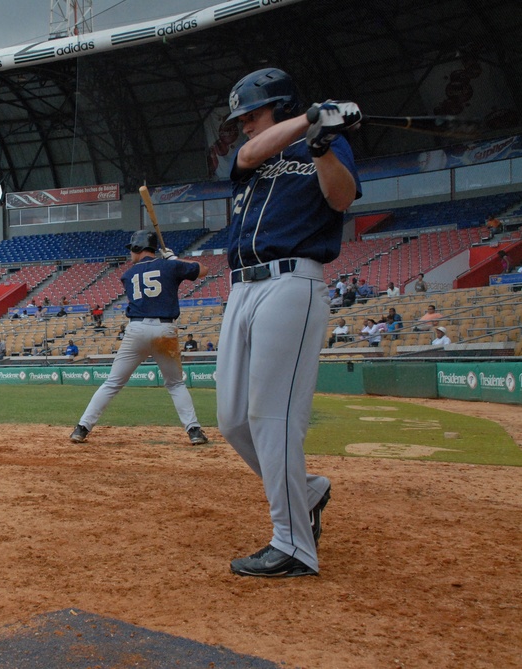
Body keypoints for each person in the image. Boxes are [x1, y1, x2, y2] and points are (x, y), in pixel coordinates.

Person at [216, 69, 361, 578]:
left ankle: (294, 545)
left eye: (252, 114)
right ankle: (308, 491)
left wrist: (321, 143)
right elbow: (247, 155)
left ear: (278, 105)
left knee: (271, 417)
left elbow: (341, 198)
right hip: (240, 287)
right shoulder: (256, 155)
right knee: (233, 420)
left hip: (290, 282)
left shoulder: (328, 145)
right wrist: (310, 119)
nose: (244, 125)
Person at [70, 229, 210, 447]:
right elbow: (203, 270)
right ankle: (194, 431)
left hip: (136, 329)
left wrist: (170, 264)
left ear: (138, 247)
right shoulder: (170, 266)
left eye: (132, 249)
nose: (130, 253)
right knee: (175, 384)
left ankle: (82, 428)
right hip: (165, 330)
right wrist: (174, 259)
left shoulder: (128, 274)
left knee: (113, 382)